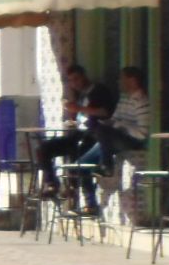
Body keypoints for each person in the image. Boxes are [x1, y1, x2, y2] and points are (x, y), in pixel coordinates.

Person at [75, 67, 150, 216]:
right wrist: (109, 123)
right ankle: (90, 204)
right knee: (82, 163)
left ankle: (106, 166)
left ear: (132, 80)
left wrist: (121, 125)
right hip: (112, 138)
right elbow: (115, 119)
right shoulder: (124, 98)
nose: (119, 82)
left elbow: (142, 133)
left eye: (122, 78)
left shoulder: (141, 101)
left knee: (103, 132)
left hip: (132, 140)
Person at [37, 64, 115, 195]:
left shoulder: (98, 91)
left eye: (76, 79)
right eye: (71, 80)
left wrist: (78, 109)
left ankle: (83, 196)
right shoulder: (81, 95)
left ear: (84, 76)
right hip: (78, 134)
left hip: (93, 135)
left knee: (78, 154)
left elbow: (104, 112)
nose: (74, 83)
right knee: (44, 148)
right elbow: (83, 116)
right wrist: (74, 121)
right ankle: (51, 183)